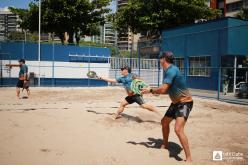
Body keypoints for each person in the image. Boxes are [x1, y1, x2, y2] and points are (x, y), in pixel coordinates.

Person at [142, 51, 193, 162]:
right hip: (175, 103)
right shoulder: (169, 71)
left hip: (185, 103)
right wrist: (154, 92)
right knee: (164, 122)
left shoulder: (171, 70)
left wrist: (151, 90)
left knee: (178, 129)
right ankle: (165, 144)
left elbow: (164, 89)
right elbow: (167, 91)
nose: (159, 60)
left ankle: (189, 158)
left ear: (163, 59)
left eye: (160, 58)